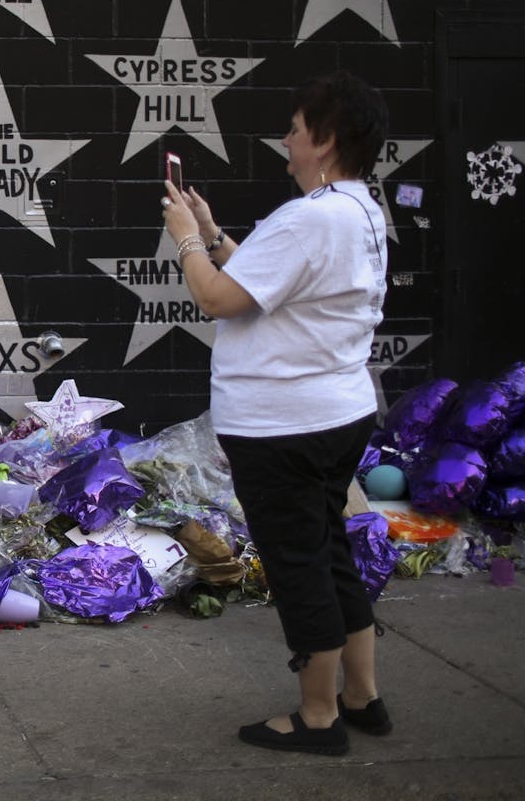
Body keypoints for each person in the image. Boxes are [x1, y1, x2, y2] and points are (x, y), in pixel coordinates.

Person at [159, 70, 391, 755]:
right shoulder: (357, 211)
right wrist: (214, 231)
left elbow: (218, 298)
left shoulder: (310, 218)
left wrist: (184, 239)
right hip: (335, 416)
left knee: (299, 566)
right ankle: (361, 696)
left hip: (287, 429)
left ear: (322, 139)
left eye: (294, 130)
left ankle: (319, 718)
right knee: (329, 553)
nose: (286, 142)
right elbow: (267, 284)